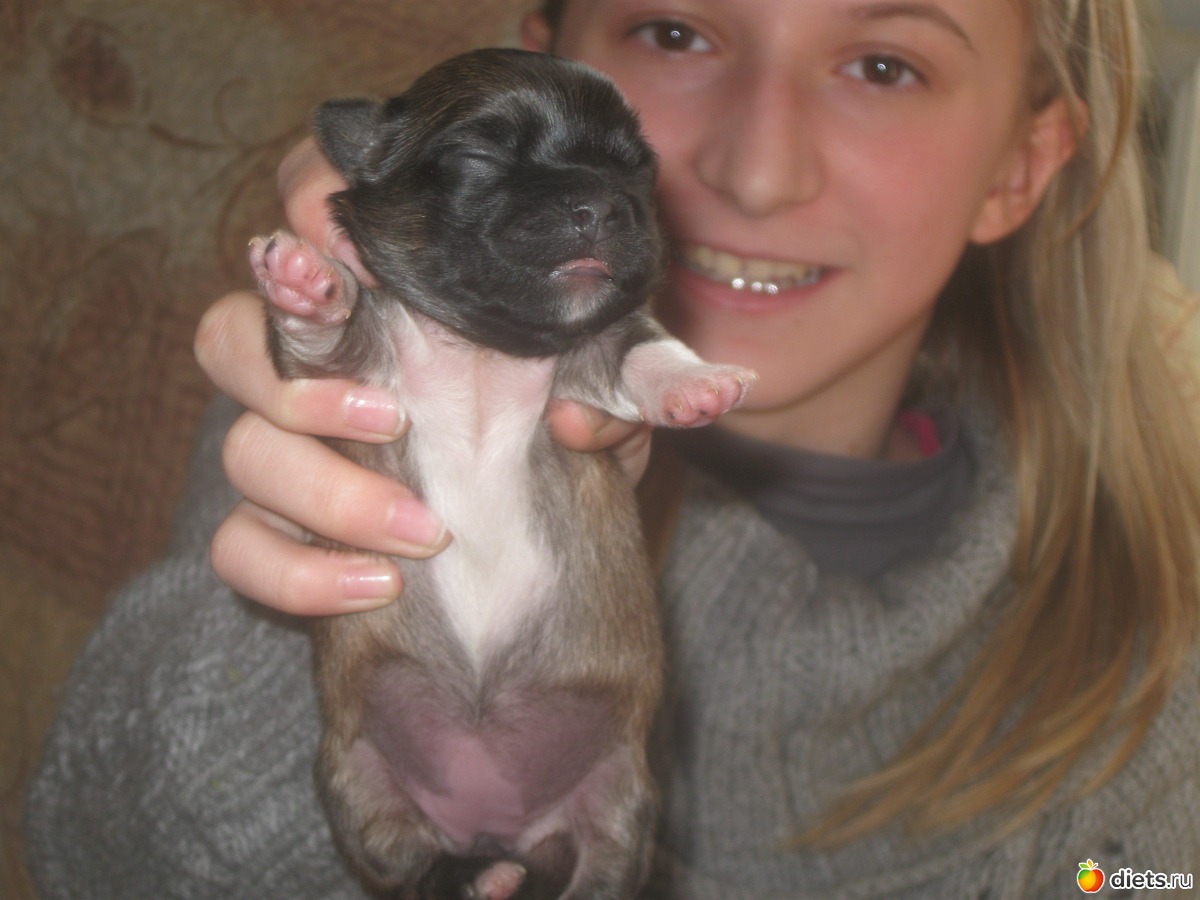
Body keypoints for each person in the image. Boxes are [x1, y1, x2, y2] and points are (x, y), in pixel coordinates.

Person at [26, 0, 1200, 897]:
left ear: (1022, 165)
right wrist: (305, 632)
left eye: (883, 66)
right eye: (675, 32)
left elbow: (1138, 883)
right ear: (542, 62)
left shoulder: (1149, 673)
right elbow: (83, 849)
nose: (755, 169)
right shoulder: (315, 426)